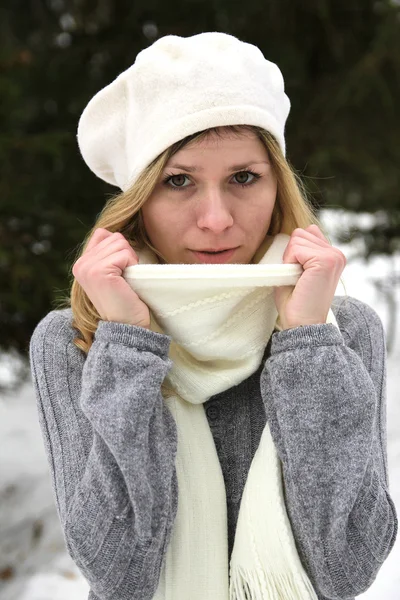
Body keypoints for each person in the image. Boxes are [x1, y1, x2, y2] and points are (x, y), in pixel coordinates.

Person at [29, 32, 397, 600]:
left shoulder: (340, 333)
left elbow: (346, 567)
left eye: (243, 178)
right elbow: (119, 572)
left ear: (277, 185)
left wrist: (305, 345)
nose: (217, 219)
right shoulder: (78, 340)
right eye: (179, 181)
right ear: (139, 199)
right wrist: (129, 342)